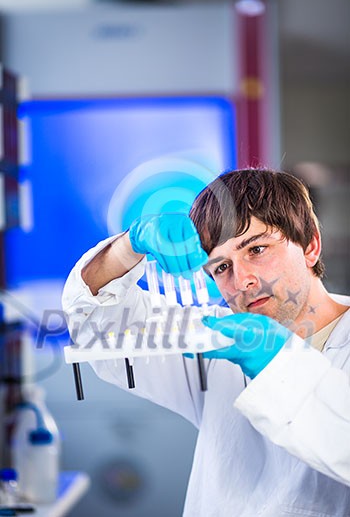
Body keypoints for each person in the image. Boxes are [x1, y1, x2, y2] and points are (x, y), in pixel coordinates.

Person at [62, 168, 350, 516]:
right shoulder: (218, 341)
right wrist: (127, 248)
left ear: (311, 245)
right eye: (220, 267)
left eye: (257, 249)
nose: (242, 280)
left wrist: (279, 364)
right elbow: (98, 325)